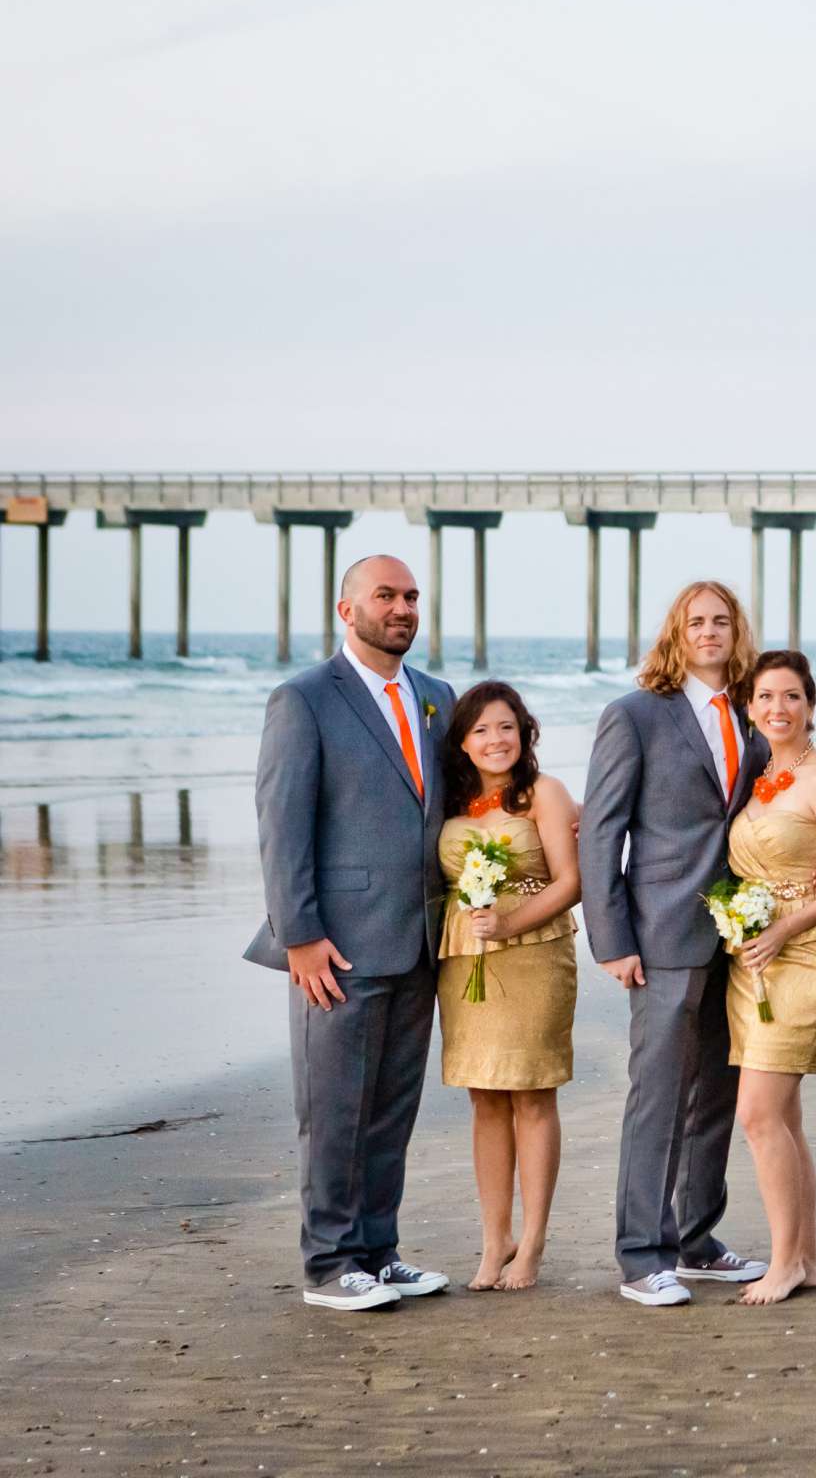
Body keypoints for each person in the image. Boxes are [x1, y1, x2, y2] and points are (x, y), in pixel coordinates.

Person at [246, 554, 453, 1310]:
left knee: (392, 1110)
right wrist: (298, 933)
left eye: (410, 597)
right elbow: (281, 823)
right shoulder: (303, 700)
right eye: (384, 596)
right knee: (333, 1109)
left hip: (420, 940)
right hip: (336, 944)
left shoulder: (437, 698)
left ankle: (379, 1248)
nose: (401, 608)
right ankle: (331, 1264)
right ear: (347, 610)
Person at [581, 580, 775, 1306]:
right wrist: (611, 936)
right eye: (695, 621)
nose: (709, 631)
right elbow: (603, 831)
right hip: (659, 931)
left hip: (741, 934)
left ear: (737, 630)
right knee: (657, 1095)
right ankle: (642, 1254)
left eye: (721, 620)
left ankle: (696, 1238)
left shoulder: (756, 717)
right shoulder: (634, 716)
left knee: (718, 1093)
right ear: (675, 631)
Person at [725, 650, 816, 1305]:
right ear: (750, 708)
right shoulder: (754, 777)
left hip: (805, 953)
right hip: (751, 961)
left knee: (756, 1114)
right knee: (782, 1116)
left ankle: (782, 1261)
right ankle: (804, 1257)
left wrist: (786, 925)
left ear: (811, 705)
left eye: (791, 696)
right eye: (765, 697)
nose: (778, 709)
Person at [434, 681, 581, 1291]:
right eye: (481, 731)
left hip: (535, 955)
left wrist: (510, 922)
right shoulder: (450, 801)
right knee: (484, 1098)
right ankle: (495, 1242)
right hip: (464, 958)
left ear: (524, 734)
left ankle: (534, 1244)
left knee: (531, 1094)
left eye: (506, 728)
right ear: (463, 743)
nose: (495, 741)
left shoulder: (544, 794)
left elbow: (571, 882)